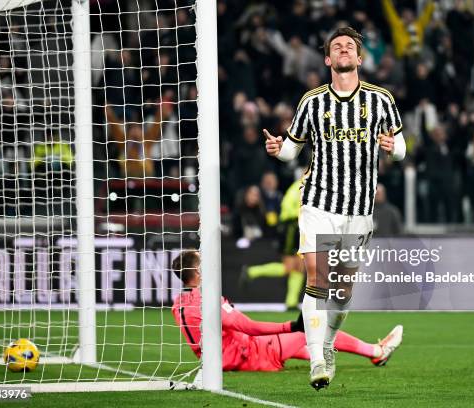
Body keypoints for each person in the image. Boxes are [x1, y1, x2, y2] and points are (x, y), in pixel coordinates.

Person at [263, 27, 406, 389]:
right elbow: (292, 151)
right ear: (328, 59)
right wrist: (278, 150)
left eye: (349, 47)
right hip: (319, 201)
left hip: (358, 209)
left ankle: (327, 345)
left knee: (341, 294)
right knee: (317, 277)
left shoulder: (381, 99)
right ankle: (316, 360)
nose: (343, 50)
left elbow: (402, 147)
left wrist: (393, 147)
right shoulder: (311, 102)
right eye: (336, 47)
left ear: (359, 58)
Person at [171, 250, 402, 372]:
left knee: (303, 344)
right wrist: (290, 325)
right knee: (311, 329)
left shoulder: (179, 303)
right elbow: (246, 326)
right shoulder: (206, 299)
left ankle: (324, 356)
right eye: (204, 261)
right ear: (198, 272)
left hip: (224, 358)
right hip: (247, 355)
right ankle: (376, 352)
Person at [240, 180, 306, 310]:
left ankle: (291, 302)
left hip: (300, 227)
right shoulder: (298, 186)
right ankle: (251, 272)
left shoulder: (308, 185)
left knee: (299, 266)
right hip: (291, 227)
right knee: (290, 266)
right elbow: (287, 207)